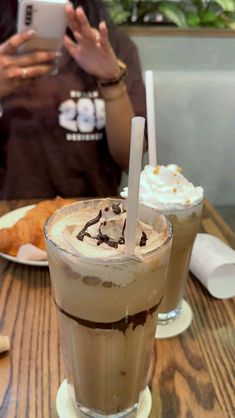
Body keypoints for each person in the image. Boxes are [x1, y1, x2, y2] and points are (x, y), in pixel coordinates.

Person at [0, 0, 146, 199]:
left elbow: (130, 161)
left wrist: (111, 81)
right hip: (11, 214)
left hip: (95, 217)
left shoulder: (112, 46)